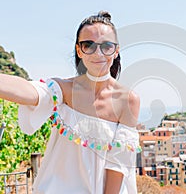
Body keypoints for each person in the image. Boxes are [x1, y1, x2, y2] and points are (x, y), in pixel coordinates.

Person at [0, 11, 141, 194]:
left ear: (116, 50)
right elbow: (28, 91)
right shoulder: (63, 90)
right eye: (88, 45)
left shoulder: (127, 100)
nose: (98, 53)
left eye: (106, 46)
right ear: (79, 50)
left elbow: (117, 166)